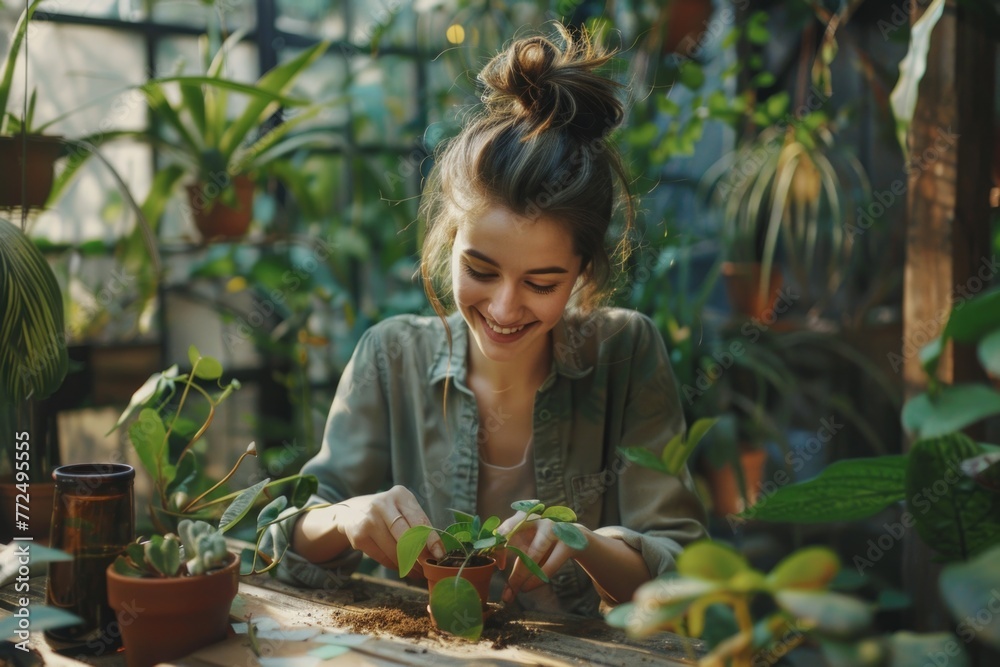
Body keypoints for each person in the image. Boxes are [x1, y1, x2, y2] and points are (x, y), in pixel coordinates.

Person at [283, 23, 707, 617]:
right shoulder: (390, 356)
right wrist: (344, 517)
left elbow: (683, 567)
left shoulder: (625, 353)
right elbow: (289, 543)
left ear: (583, 271)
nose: (505, 309)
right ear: (447, 243)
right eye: (480, 270)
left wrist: (582, 543)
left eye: (542, 283)